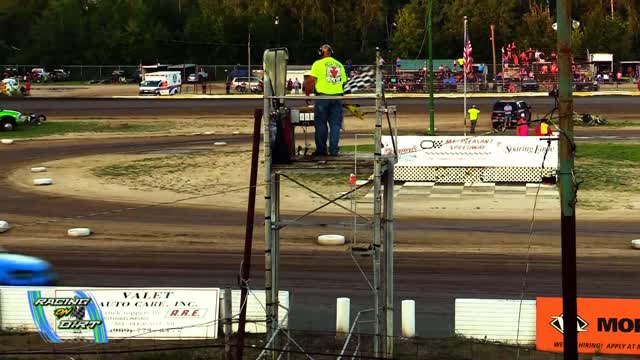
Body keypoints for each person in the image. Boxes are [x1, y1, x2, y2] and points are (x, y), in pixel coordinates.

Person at [305, 44, 347, 156]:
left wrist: (307, 94)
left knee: (321, 124)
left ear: (321, 53)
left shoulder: (318, 64)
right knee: (335, 125)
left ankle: (322, 150)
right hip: (337, 97)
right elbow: (343, 82)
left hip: (323, 97)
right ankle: (334, 150)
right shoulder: (339, 65)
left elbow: (311, 81)